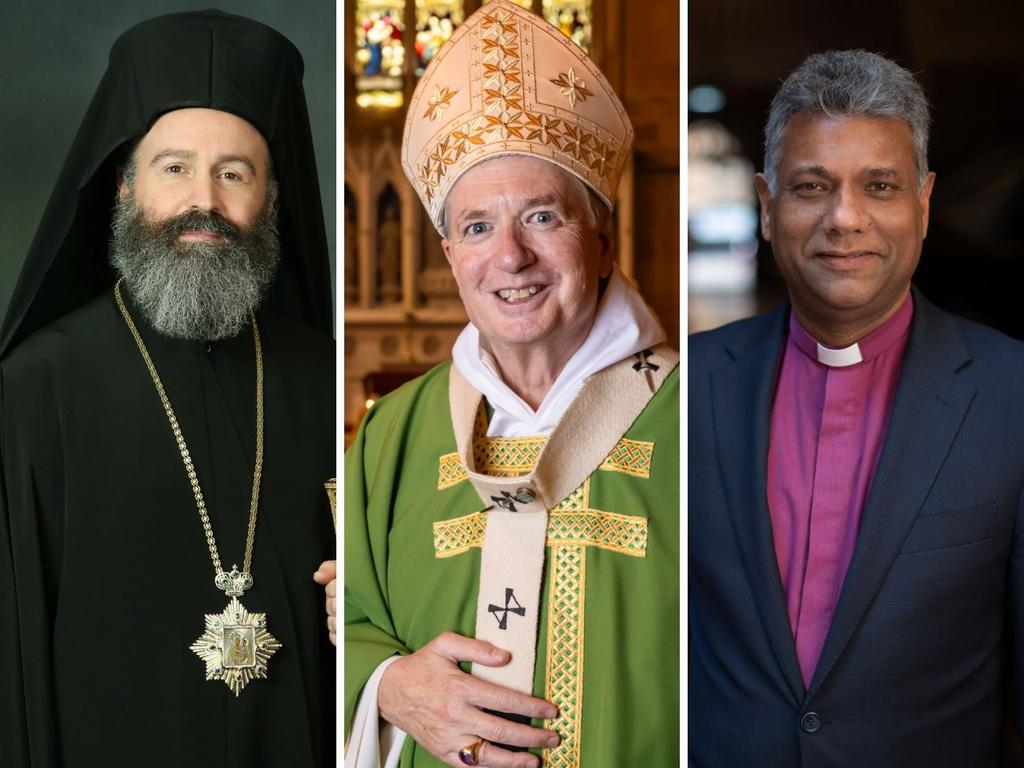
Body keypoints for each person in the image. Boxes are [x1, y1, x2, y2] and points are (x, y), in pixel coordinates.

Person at [330, 2, 678, 766]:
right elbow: (345, 622)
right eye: (479, 228)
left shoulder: (701, 417)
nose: (510, 258)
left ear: (602, 240)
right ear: (452, 255)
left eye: (543, 217)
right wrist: (387, 685)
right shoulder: (392, 433)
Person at [0, 11, 335, 767]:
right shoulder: (32, 392)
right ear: (124, 188)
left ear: (272, 199)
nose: (204, 203)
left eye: (234, 173)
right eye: (174, 167)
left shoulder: (325, 381)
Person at [689, 49, 1024, 767]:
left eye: (880, 186)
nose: (846, 219)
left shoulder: (1011, 396)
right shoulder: (685, 391)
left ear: (924, 204)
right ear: (767, 204)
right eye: (813, 186)